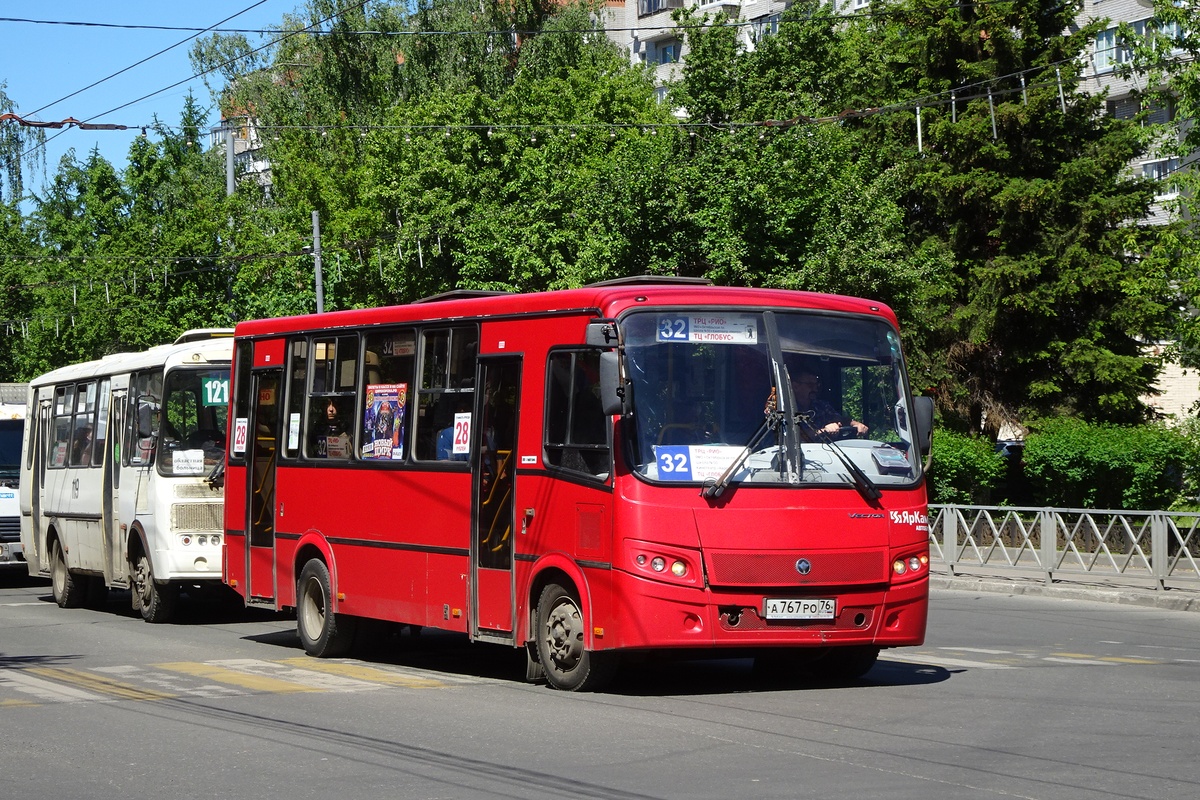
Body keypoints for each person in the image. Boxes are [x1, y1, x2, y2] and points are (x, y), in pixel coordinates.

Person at [789, 368, 868, 439]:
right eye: (810, 385)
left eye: (817, 385)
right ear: (795, 386)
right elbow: (794, 437)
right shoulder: (787, 409)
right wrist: (823, 431)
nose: (815, 389)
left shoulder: (821, 406)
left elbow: (840, 419)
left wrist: (856, 424)